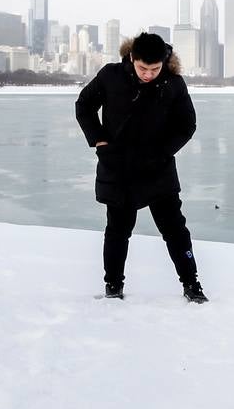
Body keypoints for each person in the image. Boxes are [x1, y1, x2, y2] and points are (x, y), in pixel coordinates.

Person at [75, 32, 207, 303]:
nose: (149, 74)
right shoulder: (111, 76)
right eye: (143, 68)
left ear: (164, 62)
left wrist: (161, 152)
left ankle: (192, 287)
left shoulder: (173, 84)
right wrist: (99, 140)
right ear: (132, 58)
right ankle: (113, 287)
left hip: (157, 169)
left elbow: (187, 125)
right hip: (118, 167)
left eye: (155, 69)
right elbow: (84, 105)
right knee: (117, 231)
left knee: (175, 231)